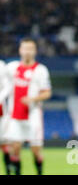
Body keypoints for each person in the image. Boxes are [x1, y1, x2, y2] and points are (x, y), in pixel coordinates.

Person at [0, 38, 52, 175]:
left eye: (30, 49)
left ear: (34, 51)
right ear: (20, 50)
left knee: (35, 151)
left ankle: (39, 171)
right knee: (15, 148)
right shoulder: (11, 68)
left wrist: (33, 99)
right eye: (25, 48)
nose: (27, 52)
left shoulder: (41, 70)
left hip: (33, 116)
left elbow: (47, 93)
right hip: (15, 116)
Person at [0, 59, 11, 174]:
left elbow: (7, 86)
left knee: (4, 143)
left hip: (1, 112)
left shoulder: (1, 65)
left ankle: (8, 170)